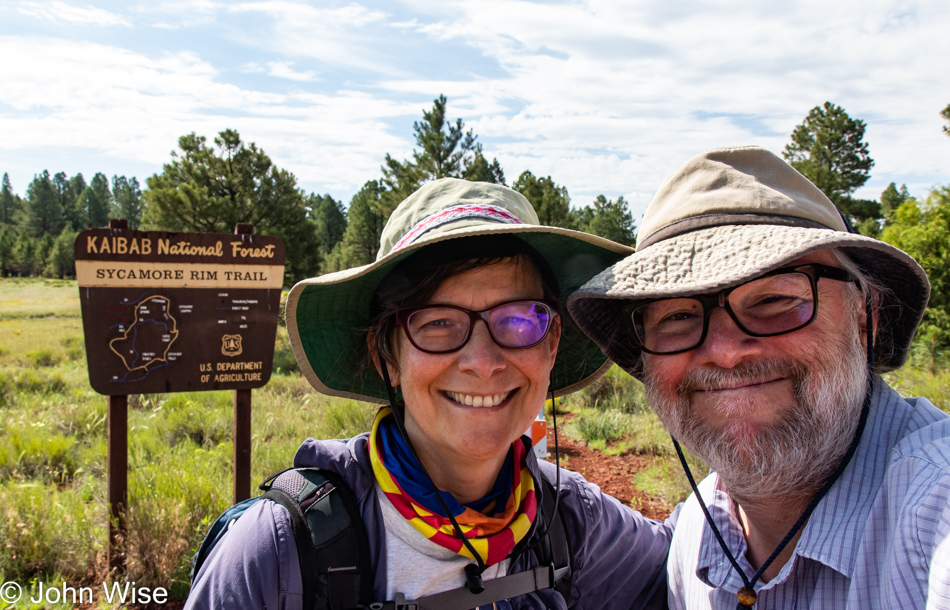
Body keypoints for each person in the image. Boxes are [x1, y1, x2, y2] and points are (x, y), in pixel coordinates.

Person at [186, 178, 674, 609]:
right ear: (386, 357)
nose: (483, 362)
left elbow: (697, 562)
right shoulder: (279, 552)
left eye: (518, 319)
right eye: (437, 323)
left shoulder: (577, 523)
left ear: (551, 345)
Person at [568, 146, 950, 609]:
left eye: (774, 299)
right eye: (677, 316)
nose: (726, 353)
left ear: (864, 316)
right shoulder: (697, 529)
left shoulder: (934, 512)